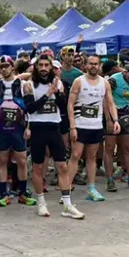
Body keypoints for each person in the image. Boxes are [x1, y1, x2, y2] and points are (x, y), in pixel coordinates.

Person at [24, 54, 83, 219]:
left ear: (51, 68)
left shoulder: (58, 84)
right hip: (37, 129)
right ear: (36, 67)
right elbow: (30, 108)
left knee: (62, 167)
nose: (43, 68)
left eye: (46, 65)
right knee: (37, 167)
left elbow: (63, 107)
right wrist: (47, 94)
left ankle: (67, 204)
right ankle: (41, 202)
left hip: (54, 128)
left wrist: (56, 93)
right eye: (40, 65)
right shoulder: (29, 85)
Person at [68, 54, 119, 204]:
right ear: (86, 65)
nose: (93, 66)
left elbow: (110, 103)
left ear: (99, 66)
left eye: (96, 64)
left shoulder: (104, 83)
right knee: (75, 156)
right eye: (91, 64)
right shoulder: (79, 81)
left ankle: (91, 188)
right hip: (79, 125)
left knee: (92, 157)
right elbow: (70, 104)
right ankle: (67, 190)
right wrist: (72, 126)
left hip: (96, 126)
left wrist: (115, 120)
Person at [0, 56, 36, 207]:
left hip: (18, 127)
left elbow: (29, 108)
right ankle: (4, 193)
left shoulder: (23, 84)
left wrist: (29, 127)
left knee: (21, 160)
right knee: (1, 160)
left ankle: (22, 193)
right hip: (1, 127)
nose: (3, 69)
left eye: (6, 66)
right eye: (1, 67)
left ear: (12, 67)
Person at [105, 61, 129, 191]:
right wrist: (108, 120)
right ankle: (110, 180)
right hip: (111, 114)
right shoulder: (114, 80)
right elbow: (105, 99)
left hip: (125, 115)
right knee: (110, 148)